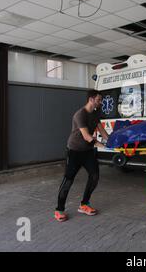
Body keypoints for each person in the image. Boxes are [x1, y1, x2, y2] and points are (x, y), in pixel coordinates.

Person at [54, 90, 109, 222]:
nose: (100, 102)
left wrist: (112, 141)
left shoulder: (95, 113)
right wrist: (104, 146)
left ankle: (84, 204)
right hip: (74, 151)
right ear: (91, 99)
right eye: (98, 100)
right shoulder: (80, 114)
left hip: (88, 151)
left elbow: (101, 130)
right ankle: (59, 209)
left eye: (100, 100)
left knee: (94, 176)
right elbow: (86, 136)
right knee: (68, 180)